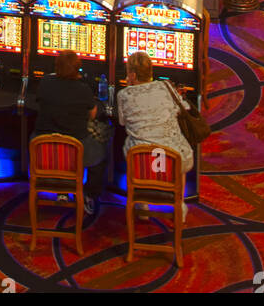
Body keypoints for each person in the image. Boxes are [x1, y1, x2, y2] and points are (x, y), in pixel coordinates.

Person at [117, 51, 193, 221]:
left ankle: (142, 204)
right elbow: (184, 107)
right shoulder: (165, 87)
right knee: (178, 147)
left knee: (131, 141)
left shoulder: (123, 95)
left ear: (132, 74)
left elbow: (122, 122)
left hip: (140, 161)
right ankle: (179, 203)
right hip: (172, 159)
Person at [32, 49, 106, 215]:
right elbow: (93, 114)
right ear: (77, 69)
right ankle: (89, 194)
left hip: (42, 146)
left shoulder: (45, 82)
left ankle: (59, 187)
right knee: (100, 154)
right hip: (75, 147)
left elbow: (40, 101)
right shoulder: (83, 89)